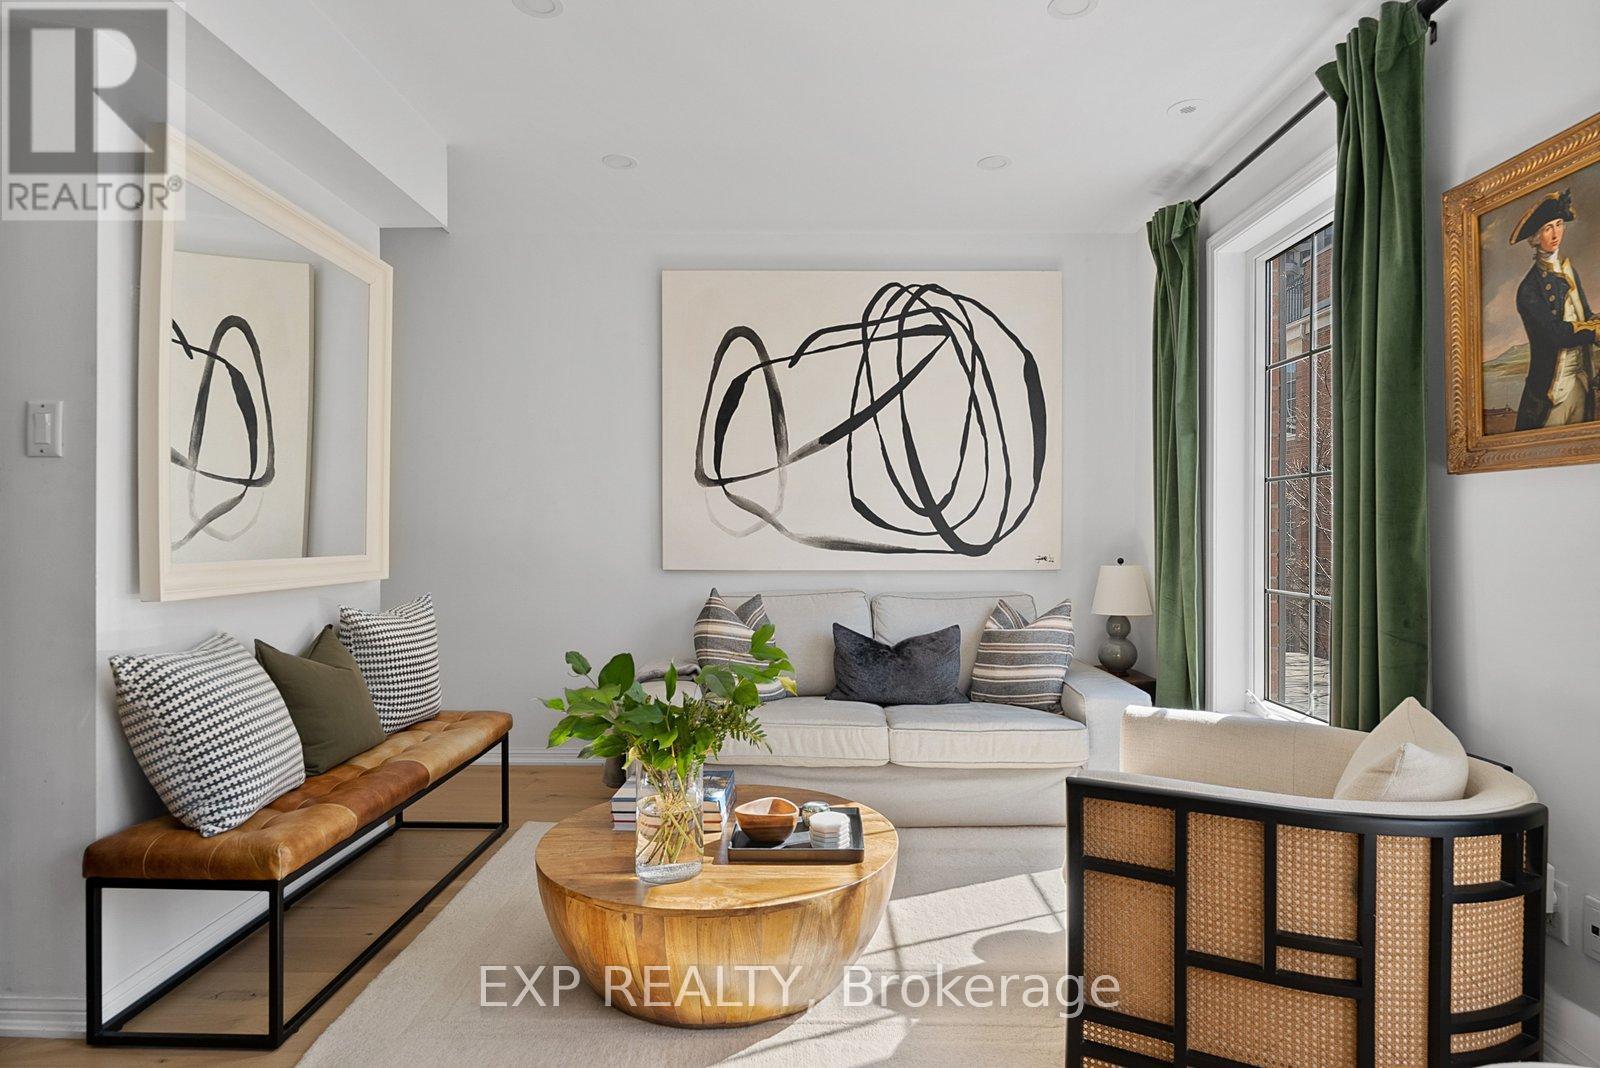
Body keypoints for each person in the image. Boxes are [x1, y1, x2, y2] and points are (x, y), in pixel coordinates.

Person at [1512, 190, 1600, 429]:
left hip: (1580, 382)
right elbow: (1555, 333)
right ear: (1535, 236)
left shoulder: (1570, 271)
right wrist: (1594, 332)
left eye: (1559, 224)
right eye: (1547, 228)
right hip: (1550, 392)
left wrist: (1596, 323)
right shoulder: (1528, 288)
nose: (1555, 234)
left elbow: (1585, 315)